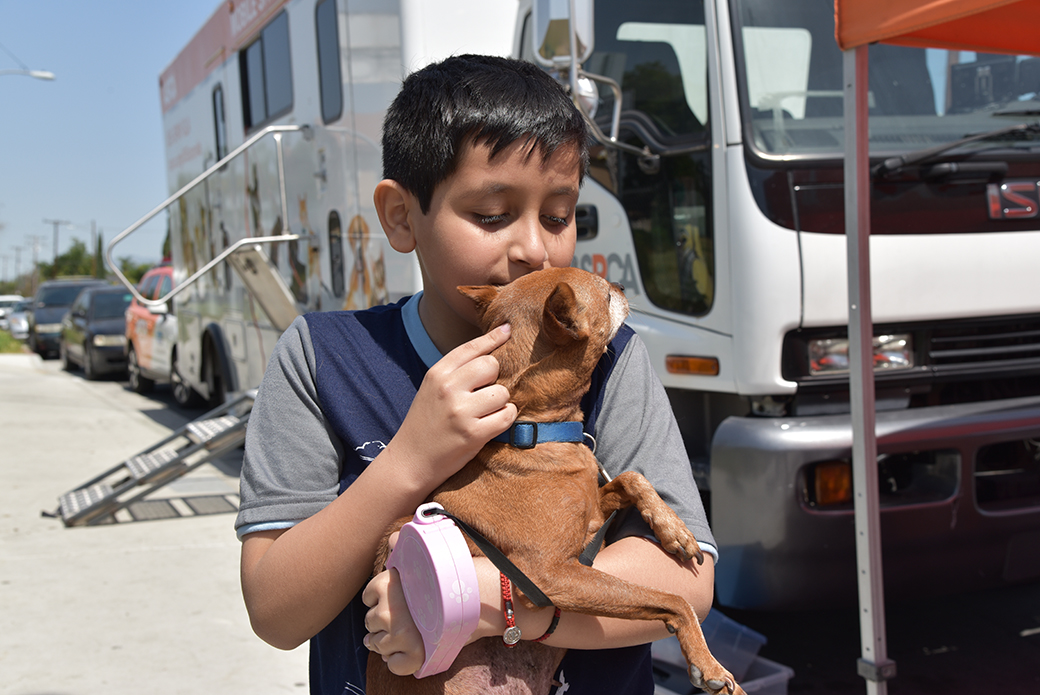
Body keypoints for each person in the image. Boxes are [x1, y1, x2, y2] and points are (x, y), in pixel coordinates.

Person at [235, 54, 718, 695]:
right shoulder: (326, 358)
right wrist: (411, 459)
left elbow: (687, 581)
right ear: (402, 217)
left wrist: (487, 600)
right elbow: (275, 609)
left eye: (558, 215)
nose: (534, 249)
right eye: (491, 215)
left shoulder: (608, 359)